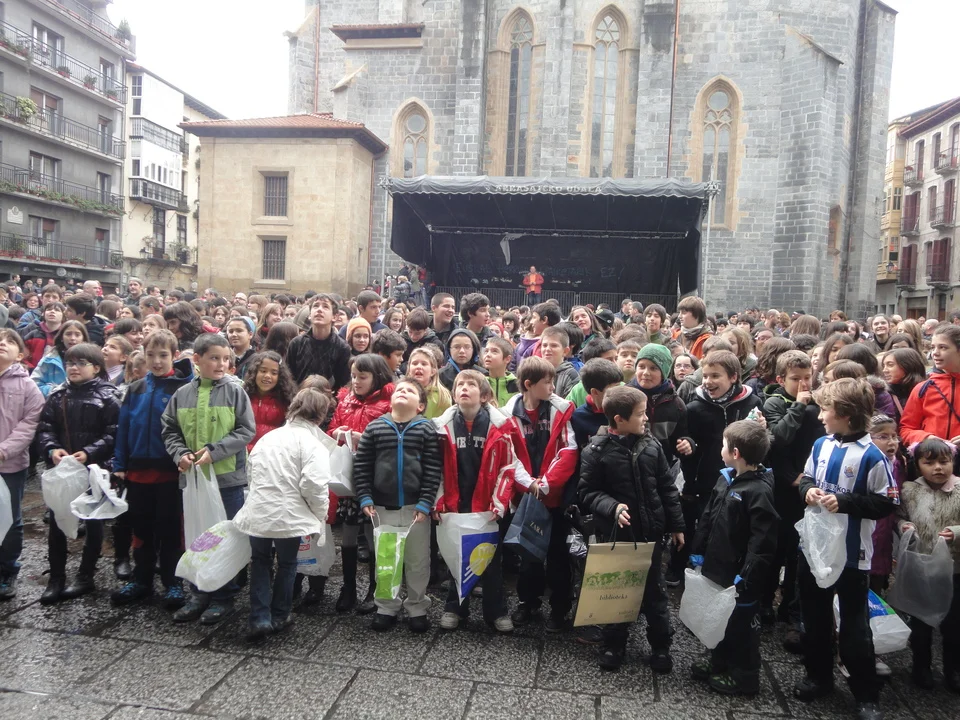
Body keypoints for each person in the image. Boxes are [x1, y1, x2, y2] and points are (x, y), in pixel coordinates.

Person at [795, 377, 898, 720]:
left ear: (846, 414)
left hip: (853, 556)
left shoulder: (872, 456)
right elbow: (806, 478)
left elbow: (885, 503)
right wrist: (808, 491)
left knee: (854, 626)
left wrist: (846, 502)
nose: (820, 415)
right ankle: (818, 677)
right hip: (815, 548)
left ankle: (865, 694)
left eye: (825, 409)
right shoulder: (821, 444)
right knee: (814, 617)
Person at [579, 385, 684, 672]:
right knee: (616, 592)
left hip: (650, 535)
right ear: (619, 419)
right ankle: (614, 644)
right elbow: (587, 492)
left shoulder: (651, 446)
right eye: (640, 414)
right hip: (618, 537)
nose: (646, 419)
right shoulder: (596, 451)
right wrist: (612, 507)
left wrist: (676, 525)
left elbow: (667, 487)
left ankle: (660, 647)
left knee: (655, 594)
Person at [161, 333, 256, 625]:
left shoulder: (235, 392)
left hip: (227, 479)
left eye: (226, 359)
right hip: (193, 480)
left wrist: (214, 452)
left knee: (223, 537)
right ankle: (199, 593)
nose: (221, 364)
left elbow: (245, 430)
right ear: (197, 360)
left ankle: (223, 596)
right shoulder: (182, 394)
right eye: (214, 358)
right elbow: (170, 429)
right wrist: (180, 454)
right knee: (197, 536)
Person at [233, 388, 332, 641]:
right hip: (289, 514)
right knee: (287, 563)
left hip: (258, 510)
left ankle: (259, 617)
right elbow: (314, 485)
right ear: (320, 415)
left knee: (260, 561)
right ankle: (280, 614)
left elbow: (251, 473)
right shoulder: (314, 444)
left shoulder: (269, 438)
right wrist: (319, 515)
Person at [689, 420, 777, 695]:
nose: (721, 449)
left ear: (735, 453)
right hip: (718, 565)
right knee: (719, 617)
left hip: (741, 575)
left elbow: (762, 541)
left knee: (741, 627)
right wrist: (698, 550)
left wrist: (747, 574)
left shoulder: (758, 491)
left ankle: (745, 676)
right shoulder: (725, 478)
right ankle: (719, 660)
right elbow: (708, 516)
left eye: (724, 445)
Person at [110, 330, 194, 608]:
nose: (156, 361)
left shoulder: (182, 389)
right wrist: (119, 465)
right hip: (138, 472)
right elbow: (124, 429)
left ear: (175, 356)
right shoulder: (135, 389)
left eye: (163, 355)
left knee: (170, 529)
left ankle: (173, 582)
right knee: (141, 528)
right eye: (151, 355)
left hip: (169, 472)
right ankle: (141, 579)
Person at [354, 378, 443, 632]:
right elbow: (362, 466)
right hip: (382, 509)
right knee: (386, 560)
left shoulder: (426, 429)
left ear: (421, 405)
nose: (403, 391)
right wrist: (365, 497)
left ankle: (417, 607)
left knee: (418, 562)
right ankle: (386, 607)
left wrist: (425, 502)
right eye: (399, 389)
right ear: (391, 399)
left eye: (410, 390)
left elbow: (433, 469)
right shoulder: (375, 428)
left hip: (416, 510)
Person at [37, 343, 121, 604]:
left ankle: (86, 575)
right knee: (57, 520)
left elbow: (115, 432)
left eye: (81, 363)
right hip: (64, 470)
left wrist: (89, 452)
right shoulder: (58, 395)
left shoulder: (108, 396)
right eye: (70, 363)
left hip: (95, 469)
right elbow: (45, 428)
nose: (74, 368)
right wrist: (52, 449)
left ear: (96, 368)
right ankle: (56, 577)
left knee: (93, 521)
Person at [670, 350, 763, 585]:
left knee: (725, 529)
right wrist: (687, 444)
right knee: (695, 524)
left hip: (738, 480)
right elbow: (685, 436)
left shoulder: (752, 403)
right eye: (705, 376)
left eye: (715, 376)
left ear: (733, 377)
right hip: (703, 479)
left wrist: (762, 428)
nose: (708, 381)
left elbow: (760, 443)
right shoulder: (694, 407)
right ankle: (679, 568)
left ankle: (719, 574)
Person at [434, 370, 516, 633]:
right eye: (460, 384)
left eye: (471, 384)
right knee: (456, 556)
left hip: (487, 505)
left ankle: (496, 611)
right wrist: (438, 501)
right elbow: (435, 468)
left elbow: (508, 467)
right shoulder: (441, 428)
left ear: (484, 396)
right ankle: (455, 608)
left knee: (490, 560)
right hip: (455, 503)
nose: (464, 388)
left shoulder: (500, 427)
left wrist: (499, 501)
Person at [503, 357, 577, 630]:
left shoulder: (560, 409)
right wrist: (529, 483)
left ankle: (560, 608)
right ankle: (527, 602)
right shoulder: (507, 415)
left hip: (553, 496)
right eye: (547, 382)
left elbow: (569, 450)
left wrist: (545, 484)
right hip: (525, 496)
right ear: (528, 384)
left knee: (558, 554)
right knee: (528, 552)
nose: (553, 387)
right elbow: (509, 455)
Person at [761, 350, 824, 649]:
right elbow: (779, 439)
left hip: (805, 484)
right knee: (776, 546)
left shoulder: (817, 404)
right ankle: (765, 602)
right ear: (781, 379)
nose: (803, 384)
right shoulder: (774, 402)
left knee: (798, 553)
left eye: (807, 378)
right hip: (781, 486)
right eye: (796, 379)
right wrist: (798, 406)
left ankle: (790, 606)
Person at [328, 354, 395, 613]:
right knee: (348, 530)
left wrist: (364, 438)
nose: (356, 381)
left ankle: (375, 588)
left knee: (371, 530)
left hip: (374, 477)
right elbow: (332, 429)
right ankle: (348, 587)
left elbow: (391, 438)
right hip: (348, 475)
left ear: (376, 377)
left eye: (362, 377)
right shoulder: (345, 401)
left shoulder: (388, 404)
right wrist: (337, 432)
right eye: (354, 376)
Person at [896, 436, 960, 692]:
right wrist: (904, 526)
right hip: (921, 566)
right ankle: (920, 667)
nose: (938, 468)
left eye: (944, 462)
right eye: (929, 463)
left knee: (954, 623)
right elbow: (899, 517)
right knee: (920, 621)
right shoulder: (910, 491)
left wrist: (956, 532)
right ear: (918, 464)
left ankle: (953, 669)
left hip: (955, 568)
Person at [0, 330, 44, 600]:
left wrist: (4, 450)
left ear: (20, 354)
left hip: (10, 464)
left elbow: (29, 424)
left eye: (9, 341)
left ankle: (7, 569)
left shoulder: (28, 386)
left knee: (10, 517)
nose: (2, 344)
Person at [900, 324, 960, 448]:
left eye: (943, 347)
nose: (935, 353)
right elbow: (906, 429)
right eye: (933, 347)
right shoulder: (924, 388)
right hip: (931, 457)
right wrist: (925, 438)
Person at [630, 343, 689, 469]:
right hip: (629, 466)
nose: (646, 372)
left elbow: (681, 437)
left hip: (662, 468)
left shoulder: (676, 404)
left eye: (653, 368)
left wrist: (687, 443)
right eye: (641, 366)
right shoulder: (625, 397)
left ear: (664, 373)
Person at [286, 294, 352, 389]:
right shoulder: (296, 343)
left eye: (325, 306)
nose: (319, 310)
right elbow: (289, 379)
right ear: (309, 315)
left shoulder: (342, 347)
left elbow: (343, 384)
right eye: (316, 306)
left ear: (335, 316)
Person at [244, 351, 298, 452]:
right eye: (263, 371)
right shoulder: (244, 396)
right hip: (244, 452)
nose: (267, 376)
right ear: (255, 372)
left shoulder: (286, 400)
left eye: (274, 373)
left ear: (280, 376)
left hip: (271, 454)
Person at [32, 320, 88, 398]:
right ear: (61, 337)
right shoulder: (49, 359)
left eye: (77, 335)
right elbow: (34, 384)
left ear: (83, 339)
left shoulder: (91, 359)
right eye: (68, 334)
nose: (72, 338)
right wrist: (56, 390)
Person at [513, 302, 562, 370]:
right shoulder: (521, 345)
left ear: (544, 320)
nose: (531, 322)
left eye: (534, 317)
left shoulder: (540, 347)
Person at [20, 301, 65, 370]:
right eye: (49, 309)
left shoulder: (65, 335)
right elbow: (21, 355)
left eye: (57, 310)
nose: (52, 311)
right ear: (43, 314)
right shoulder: (33, 335)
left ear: (63, 315)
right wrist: (31, 368)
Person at [439, 328, 486, 392]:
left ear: (473, 349)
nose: (462, 351)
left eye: (467, 347)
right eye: (456, 347)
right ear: (449, 349)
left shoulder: (483, 374)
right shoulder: (441, 375)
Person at [540, 325, 580, 400]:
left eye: (554, 345)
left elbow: (568, 404)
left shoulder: (570, 375)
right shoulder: (536, 372)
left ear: (565, 351)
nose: (547, 349)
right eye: (544, 345)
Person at [482, 337, 519, 409]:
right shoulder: (481, 382)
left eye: (494, 351)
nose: (488, 355)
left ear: (507, 359)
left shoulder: (516, 384)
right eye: (486, 351)